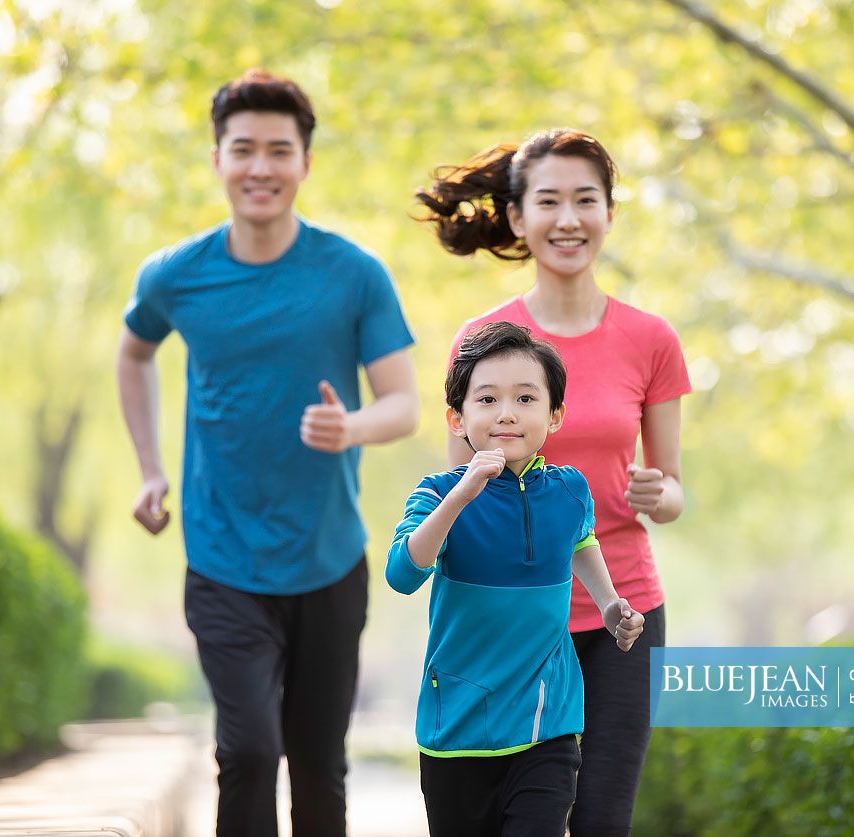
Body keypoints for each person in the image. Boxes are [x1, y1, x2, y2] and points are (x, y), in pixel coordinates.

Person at [116, 68, 419, 837]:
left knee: (318, 765)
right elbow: (134, 354)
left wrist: (349, 427)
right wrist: (151, 468)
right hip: (223, 558)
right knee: (248, 749)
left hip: (329, 558)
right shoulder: (175, 275)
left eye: (278, 150)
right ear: (216, 159)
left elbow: (404, 405)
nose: (260, 167)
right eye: (242, 148)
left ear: (305, 163)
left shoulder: (353, 274)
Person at [415, 129, 691, 836]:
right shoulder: (483, 338)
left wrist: (657, 493)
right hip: (505, 622)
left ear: (607, 213)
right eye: (548, 200)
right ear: (516, 217)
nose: (567, 218)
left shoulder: (650, 338)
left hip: (617, 614)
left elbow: (671, 490)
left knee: (601, 820)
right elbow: (457, 489)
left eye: (585, 200)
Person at [386, 321, 645, 837]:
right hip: (457, 728)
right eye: (487, 399)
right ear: (457, 418)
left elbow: (581, 541)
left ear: (555, 415)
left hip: (546, 724)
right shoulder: (436, 494)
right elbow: (402, 572)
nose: (507, 412)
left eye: (526, 398)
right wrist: (463, 493)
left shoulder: (570, 488)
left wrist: (612, 603)